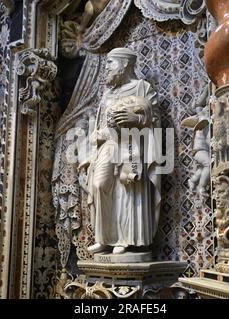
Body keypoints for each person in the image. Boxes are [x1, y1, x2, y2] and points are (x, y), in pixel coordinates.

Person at [79, 47, 161, 255]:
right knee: (99, 185)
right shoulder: (108, 94)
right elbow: (100, 124)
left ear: (124, 64)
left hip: (132, 145)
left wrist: (139, 119)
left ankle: (124, 239)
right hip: (108, 145)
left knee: (127, 189)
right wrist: (95, 138)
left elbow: (156, 119)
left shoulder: (142, 88)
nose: (106, 68)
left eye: (110, 63)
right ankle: (104, 237)